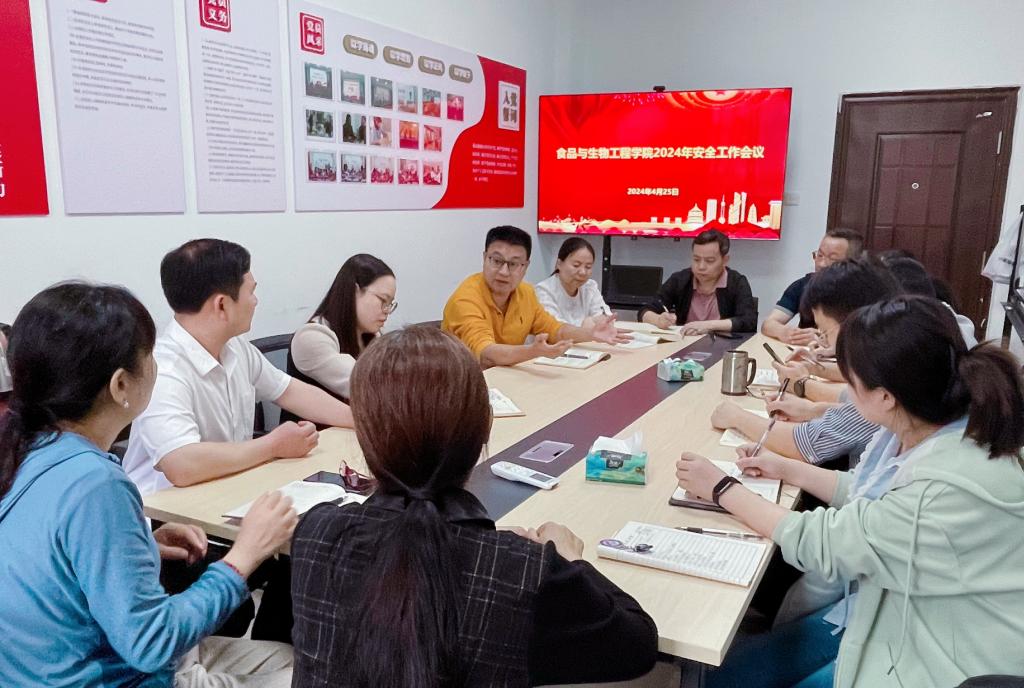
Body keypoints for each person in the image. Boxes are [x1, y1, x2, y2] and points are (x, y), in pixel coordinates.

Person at [677, 296, 1024, 687]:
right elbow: (867, 494)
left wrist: (722, 488)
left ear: (885, 396)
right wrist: (786, 469)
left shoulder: (946, 484)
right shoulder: (927, 426)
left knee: (727, 679)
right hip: (898, 613)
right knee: (735, 671)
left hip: (939, 659)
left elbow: (827, 543)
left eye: (850, 380)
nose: (843, 390)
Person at [290, 326, 658, 687]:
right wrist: (571, 560)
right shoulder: (526, 569)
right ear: (486, 428)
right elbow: (638, 646)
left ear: (364, 434)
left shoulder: (316, 534)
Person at [0, 282, 298, 687]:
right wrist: (243, 556)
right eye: (149, 355)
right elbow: (152, 642)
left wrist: (138, 547)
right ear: (121, 385)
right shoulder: (95, 483)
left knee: (286, 657)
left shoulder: (26, 450)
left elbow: (47, 564)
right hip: (110, 673)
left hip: (46, 667)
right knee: (312, 673)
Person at [122, 239, 354, 495]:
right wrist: (273, 445)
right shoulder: (163, 369)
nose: (255, 301)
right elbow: (182, 464)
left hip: (228, 488)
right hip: (167, 510)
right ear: (222, 305)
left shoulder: (236, 347)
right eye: (251, 292)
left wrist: (360, 421)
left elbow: (289, 391)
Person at [712, 259, 899, 462]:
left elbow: (804, 445)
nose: (825, 343)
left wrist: (737, 417)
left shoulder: (879, 391)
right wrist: (812, 410)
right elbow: (851, 406)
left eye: (824, 332)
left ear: (854, 323)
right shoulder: (891, 363)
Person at [442, 226, 629, 367]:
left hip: (507, 375)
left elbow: (556, 330)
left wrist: (591, 334)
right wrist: (532, 351)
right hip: (466, 385)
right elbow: (487, 354)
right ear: (484, 258)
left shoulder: (526, 293)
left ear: (525, 267)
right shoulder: (465, 299)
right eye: (497, 261)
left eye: (514, 264)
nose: (504, 271)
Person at [286, 254, 396, 409]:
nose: (387, 311)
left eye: (390, 304)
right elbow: (369, 386)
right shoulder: (310, 338)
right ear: (354, 291)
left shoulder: (373, 338)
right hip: (318, 425)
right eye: (383, 300)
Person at [638, 229, 757, 334]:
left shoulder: (736, 282)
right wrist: (658, 320)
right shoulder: (680, 280)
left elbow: (749, 321)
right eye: (696, 259)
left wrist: (708, 326)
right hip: (683, 344)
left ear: (725, 260)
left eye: (709, 261)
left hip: (724, 345)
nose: (701, 267)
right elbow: (645, 311)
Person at [761, 229, 864, 344]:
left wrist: (823, 339)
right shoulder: (802, 286)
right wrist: (786, 332)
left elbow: (864, 339)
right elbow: (768, 324)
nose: (821, 264)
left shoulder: (864, 293)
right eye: (820, 255)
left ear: (853, 263)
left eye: (833, 259)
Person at [535, 236, 611, 327]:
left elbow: (607, 318)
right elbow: (556, 328)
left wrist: (595, 323)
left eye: (588, 267)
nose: (583, 272)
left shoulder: (590, 286)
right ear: (559, 264)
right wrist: (588, 324)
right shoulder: (544, 291)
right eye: (576, 265)